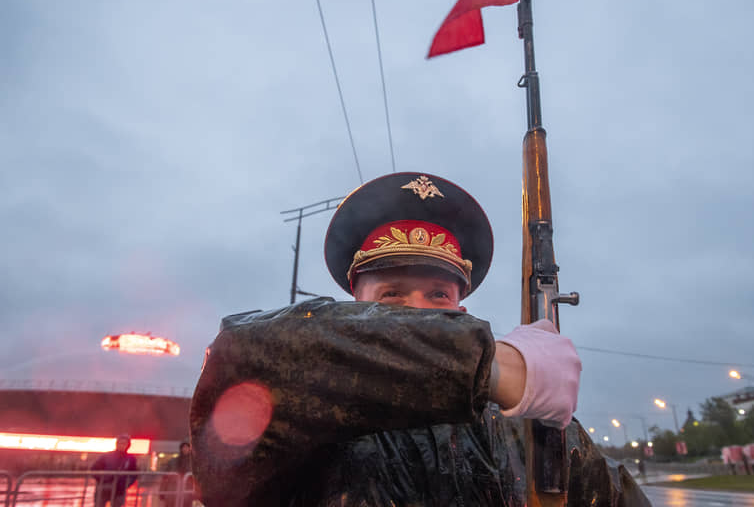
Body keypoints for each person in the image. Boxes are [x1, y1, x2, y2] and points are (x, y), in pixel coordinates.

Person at [190, 172, 649, 506]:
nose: (416, 313)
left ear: (461, 313)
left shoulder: (528, 429)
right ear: (351, 310)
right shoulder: (308, 414)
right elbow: (242, 354)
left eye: (437, 295)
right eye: (390, 297)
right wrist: (495, 365)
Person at [90, 434, 139, 507]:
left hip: (120, 490)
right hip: (104, 487)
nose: (122, 445)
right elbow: (94, 469)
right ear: (117, 444)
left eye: (124, 443)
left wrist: (126, 484)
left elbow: (134, 474)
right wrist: (102, 479)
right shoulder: (106, 456)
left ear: (128, 445)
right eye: (120, 443)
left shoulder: (131, 459)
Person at [160, 442, 194, 507]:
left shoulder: (193, 462)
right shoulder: (173, 461)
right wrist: (162, 491)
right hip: (174, 488)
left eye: (187, 447)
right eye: (183, 447)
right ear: (181, 449)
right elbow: (165, 477)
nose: (185, 449)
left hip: (187, 489)